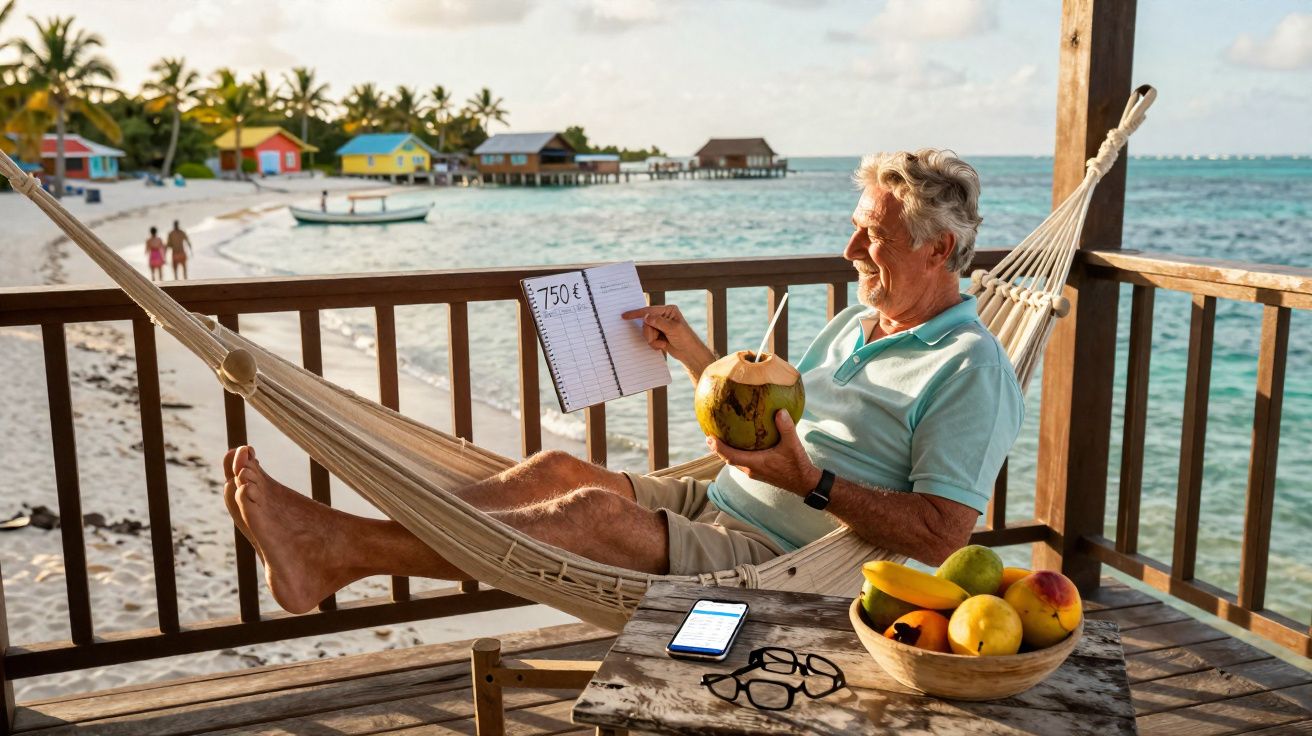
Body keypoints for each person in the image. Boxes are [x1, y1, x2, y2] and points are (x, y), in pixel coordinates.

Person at [222, 149, 1023, 615]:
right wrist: (691, 351)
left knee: (587, 513)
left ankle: (338, 551)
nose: (849, 248)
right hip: (723, 503)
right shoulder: (859, 322)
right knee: (552, 470)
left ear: (938, 251)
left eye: (872, 234)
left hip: (782, 564)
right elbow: (776, 414)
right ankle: (339, 547)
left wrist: (809, 483)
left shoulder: (970, 368)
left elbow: (941, 533)